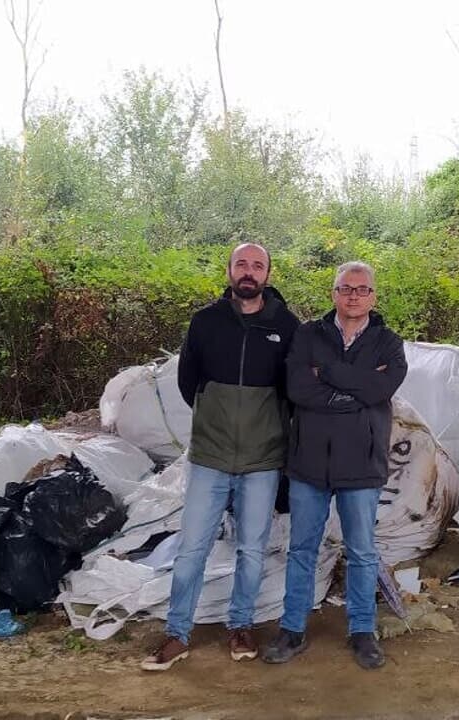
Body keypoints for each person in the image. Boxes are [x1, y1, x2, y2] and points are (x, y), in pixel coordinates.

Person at [141, 242, 300, 672]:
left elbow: (293, 391)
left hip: (263, 461)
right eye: (241, 264)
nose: (249, 272)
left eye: (258, 265)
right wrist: (215, 415)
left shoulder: (286, 326)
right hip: (210, 458)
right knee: (193, 548)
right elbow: (188, 380)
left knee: (251, 549)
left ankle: (242, 626)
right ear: (229, 270)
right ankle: (177, 634)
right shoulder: (205, 322)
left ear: (268, 273)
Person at [262, 260, 407, 670]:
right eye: (346, 289)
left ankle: (362, 631)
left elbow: (382, 386)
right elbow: (298, 387)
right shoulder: (308, 334)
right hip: (309, 464)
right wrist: (354, 389)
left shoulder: (389, 343)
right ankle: (292, 629)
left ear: (373, 296)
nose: (354, 296)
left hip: (361, 465)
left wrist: (326, 372)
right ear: (334, 294)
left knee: (361, 551)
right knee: (302, 549)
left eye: (362, 290)